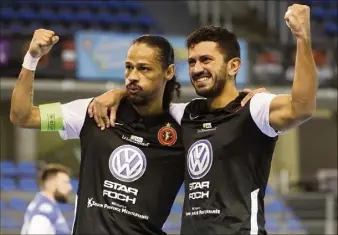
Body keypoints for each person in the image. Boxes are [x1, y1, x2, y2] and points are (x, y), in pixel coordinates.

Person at [88, 4, 317, 234]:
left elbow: (302, 107)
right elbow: (146, 99)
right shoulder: (185, 115)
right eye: (191, 62)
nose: (197, 68)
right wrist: (118, 93)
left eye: (206, 60)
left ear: (233, 66)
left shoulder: (253, 107)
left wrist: (302, 37)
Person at [11, 29, 187, 234]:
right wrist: (32, 58)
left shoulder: (182, 125)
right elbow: (22, 116)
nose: (132, 77)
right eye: (128, 67)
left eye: (144, 69)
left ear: (169, 71)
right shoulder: (92, 111)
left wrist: (118, 93)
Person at [20, 163, 72, 234]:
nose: (70, 187)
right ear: (51, 184)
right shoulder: (43, 212)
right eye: (65, 182)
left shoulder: (49, 208)